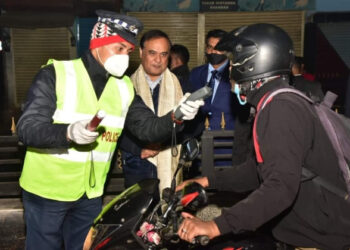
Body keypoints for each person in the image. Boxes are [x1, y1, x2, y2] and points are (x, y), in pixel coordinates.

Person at [17, 10, 203, 250]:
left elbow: (148, 129)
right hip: (47, 192)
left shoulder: (123, 87)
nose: (124, 57)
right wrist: (68, 133)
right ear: (97, 44)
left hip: (90, 195)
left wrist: (177, 116)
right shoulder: (56, 74)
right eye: (119, 48)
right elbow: (27, 128)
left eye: (128, 51)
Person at [176, 23, 350, 250]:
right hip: (312, 229)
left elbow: (280, 187)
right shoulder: (279, 101)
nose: (230, 68)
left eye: (235, 60)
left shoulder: (280, 108)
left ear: (252, 63)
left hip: (318, 239)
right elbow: (260, 169)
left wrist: (215, 226)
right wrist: (208, 180)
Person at [118, 29, 184, 194]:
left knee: (168, 215)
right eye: (152, 53)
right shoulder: (124, 85)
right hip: (138, 163)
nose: (158, 60)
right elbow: (112, 127)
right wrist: (137, 149)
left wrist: (166, 141)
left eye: (163, 54)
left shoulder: (181, 86)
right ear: (141, 52)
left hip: (170, 160)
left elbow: (192, 127)